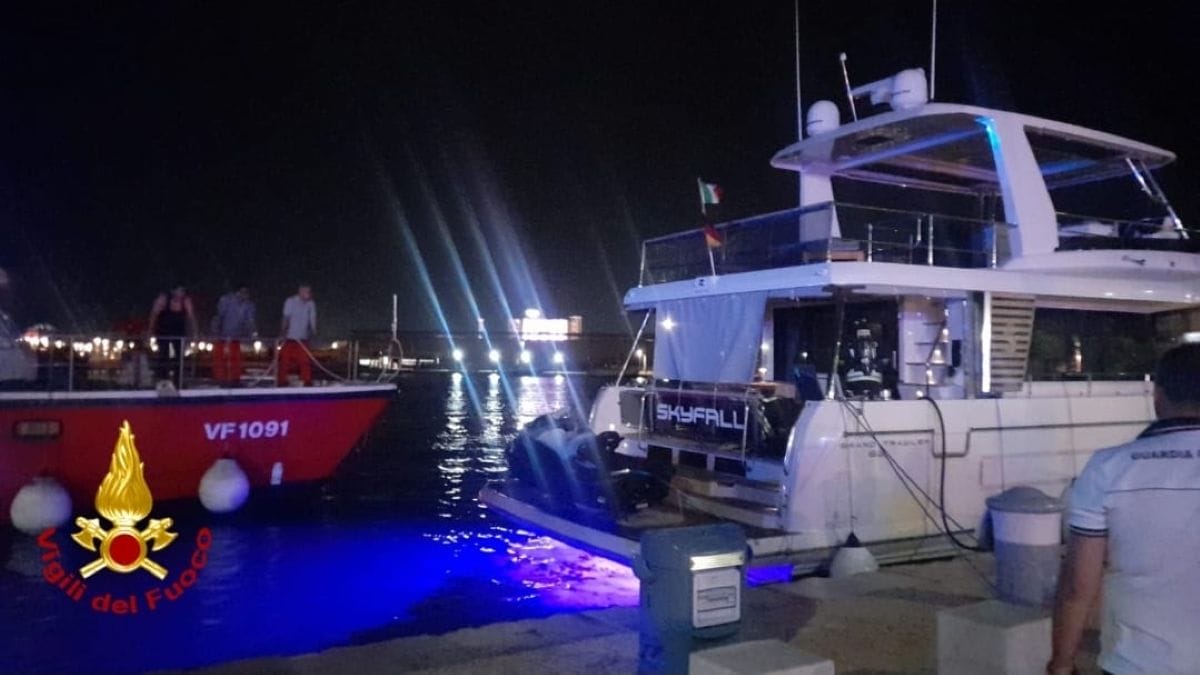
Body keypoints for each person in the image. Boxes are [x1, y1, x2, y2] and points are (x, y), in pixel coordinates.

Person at [1048, 342, 1200, 674]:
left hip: (1135, 664)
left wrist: (1061, 663)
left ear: (1157, 396)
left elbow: (1078, 586)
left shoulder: (1108, 468)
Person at [148, 285, 198, 387]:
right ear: (173, 291)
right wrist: (150, 332)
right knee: (163, 356)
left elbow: (191, 318)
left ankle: (178, 381)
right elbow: (154, 315)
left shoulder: (186, 301)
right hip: (163, 332)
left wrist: (195, 333)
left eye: (182, 291)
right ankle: (163, 380)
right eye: (179, 291)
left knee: (179, 357)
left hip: (179, 332)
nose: (180, 294)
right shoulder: (163, 299)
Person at [210, 285, 256, 386]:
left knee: (236, 359)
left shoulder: (249, 305)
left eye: (247, 293)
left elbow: (250, 321)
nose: (244, 295)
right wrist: (216, 332)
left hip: (236, 337)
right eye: (242, 292)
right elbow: (218, 317)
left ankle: (235, 379)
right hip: (222, 337)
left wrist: (252, 333)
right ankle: (219, 379)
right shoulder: (226, 300)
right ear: (237, 292)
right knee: (220, 359)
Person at [277, 284, 316, 386]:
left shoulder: (311, 304)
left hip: (303, 338)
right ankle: (281, 381)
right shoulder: (290, 301)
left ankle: (307, 381)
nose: (310, 294)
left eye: (310, 292)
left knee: (305, 361)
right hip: (289, 337)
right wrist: (283, 332)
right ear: (301, 292)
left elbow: (312, 320)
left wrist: (314, 332)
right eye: (307, 292)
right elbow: (286, 318)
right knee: (284, 360)